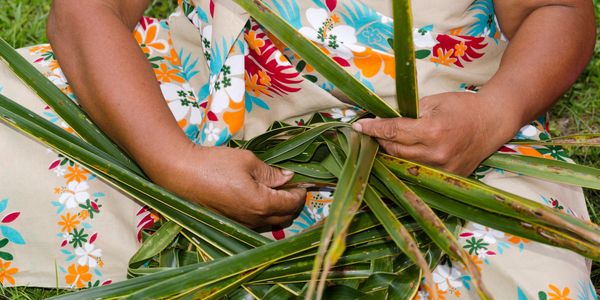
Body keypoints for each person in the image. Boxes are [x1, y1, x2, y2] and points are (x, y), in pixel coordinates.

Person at [0, 0, 595, 298]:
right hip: (207, 112)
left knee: (530, 276)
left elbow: (558, 10)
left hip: (444, 147)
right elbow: (85, 11)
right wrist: (172, 161)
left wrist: (494, 112)